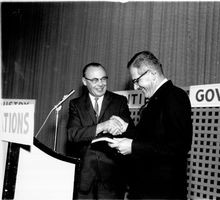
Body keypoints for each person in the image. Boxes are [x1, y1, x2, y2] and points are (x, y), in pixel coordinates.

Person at [109, 51, 193, 199]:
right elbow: (150, 139)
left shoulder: (175, 97)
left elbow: (179, 147)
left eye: (137, 81)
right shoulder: (157, 99)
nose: (135, 87)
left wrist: (133, 147)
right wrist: (126, 128)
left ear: (153, 74)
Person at [67, 62, 134, 199]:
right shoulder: (76, 104)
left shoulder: (119, 101)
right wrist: (102, 126)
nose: (101, 84)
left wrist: (120, 129)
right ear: (85, 82)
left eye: (103, 79)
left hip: (112, 177)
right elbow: (73, 134)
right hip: (84, 177)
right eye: (95, 80)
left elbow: (130, 131)